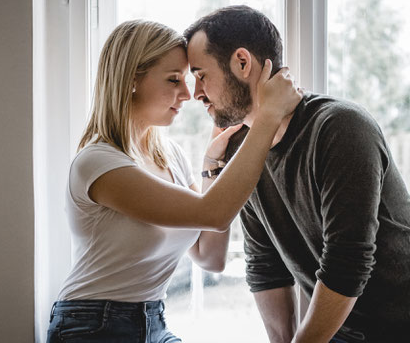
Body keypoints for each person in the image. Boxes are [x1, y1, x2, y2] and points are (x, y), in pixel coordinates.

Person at [184, 5, 410, 343]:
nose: (195, 93)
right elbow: (265, 265)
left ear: (242, 63)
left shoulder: (340, 127)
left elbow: (347, 264)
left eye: (201, 75)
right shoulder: (242, 151)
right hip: (344, 331)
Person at [46, 19, 302, 343]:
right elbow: (214, 213)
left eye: (188, 78)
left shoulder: (171, 157)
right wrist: (268, 116)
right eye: (173, 79)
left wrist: (213, 165)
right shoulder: (97, 163)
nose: (187, 93)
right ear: (131, 81)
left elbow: (211, 256)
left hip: (154, 321)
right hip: (93, 324)